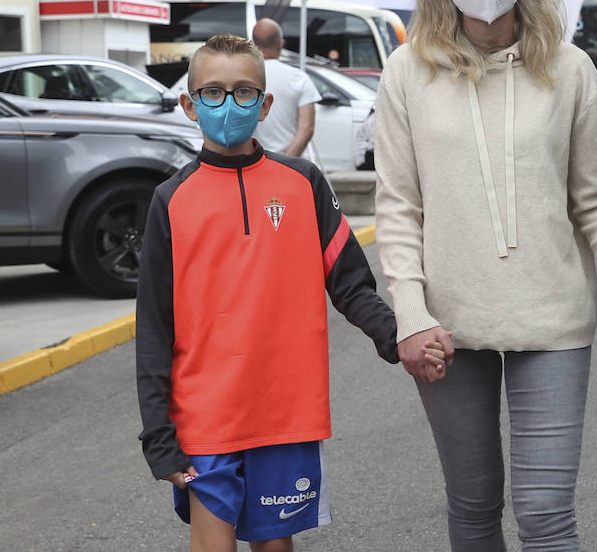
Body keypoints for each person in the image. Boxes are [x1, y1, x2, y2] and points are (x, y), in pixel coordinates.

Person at [374, 0, 597, 551]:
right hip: (446, 322)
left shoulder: (570, 69)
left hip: (551, 315)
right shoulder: (406, 73)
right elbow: (397, 207)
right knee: (472, 507)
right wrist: (410, 314)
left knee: (546, 514)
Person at [135, 33, 406, 551]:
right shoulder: (169, 200)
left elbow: (350, 284)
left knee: (275, 547)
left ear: (265, 105)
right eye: (212, 92)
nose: (229, 103)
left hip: (285, 414)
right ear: (190, 106)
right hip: (204, 417)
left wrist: (401, 336)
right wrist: (158, 435)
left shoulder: (303, 182)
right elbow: (154, 326)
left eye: (244, 92)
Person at [252, 18, 318, 159]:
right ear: (281, 44)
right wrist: (286, 161)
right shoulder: (299, 78)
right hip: (289, 164)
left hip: (251, 163)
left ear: (253, 45)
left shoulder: (242, 77)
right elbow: (307, 129)